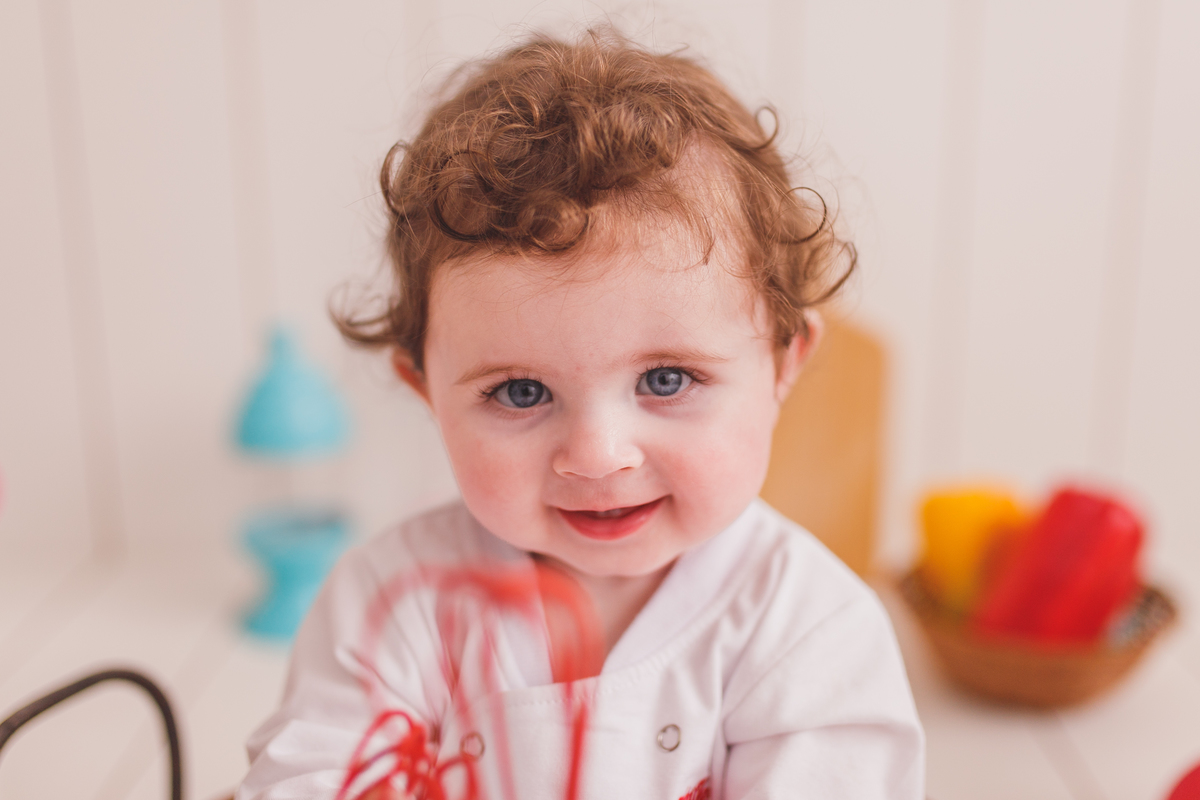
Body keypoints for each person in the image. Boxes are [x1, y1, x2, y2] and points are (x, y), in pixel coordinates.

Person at [237, 29, 924, 800]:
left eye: (666, 378)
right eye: (521, 392)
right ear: (425, 388)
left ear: (783, 364)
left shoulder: (810, 628)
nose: (597, 456)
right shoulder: (396, 604)